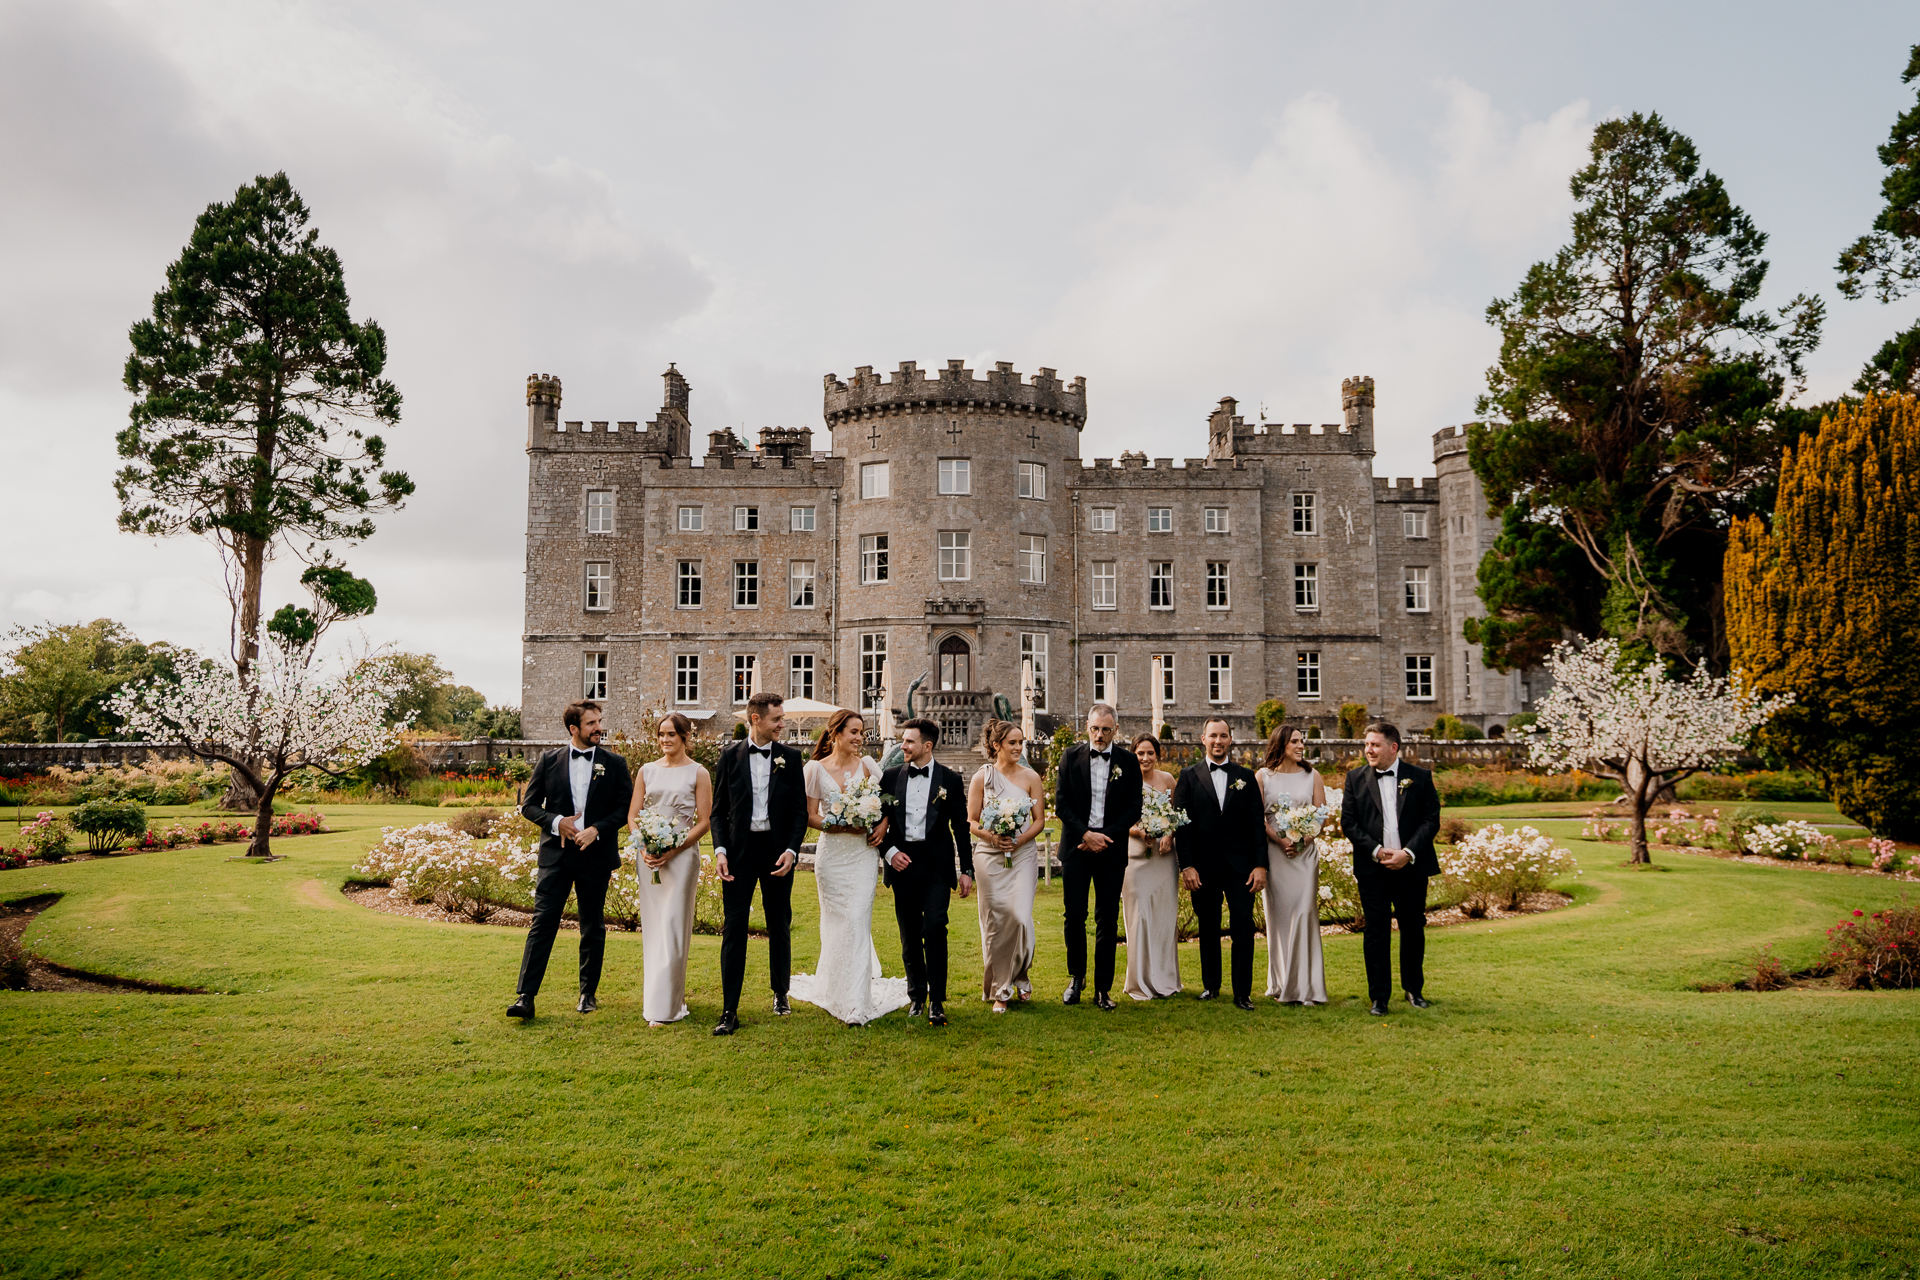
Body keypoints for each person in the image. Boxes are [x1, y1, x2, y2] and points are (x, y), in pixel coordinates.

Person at [508, 700, 633, 1019]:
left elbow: (625, 808)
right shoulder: (549, 760)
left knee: (592, 926)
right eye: (592, 723)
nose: (599, 728)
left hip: (596, 857)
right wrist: (556, 821)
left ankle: (587, 993)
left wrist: (597, 829)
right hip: (556, 858)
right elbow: (529, 805)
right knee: (542, 923)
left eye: (599, 721)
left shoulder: (615, 763)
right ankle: (525, 996)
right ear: (573, 729)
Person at [791, 708, 910, 1025]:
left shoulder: (869, 766)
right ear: (836, 734)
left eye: (862, 732)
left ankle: (857, 1003)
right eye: (854, 732)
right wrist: (837, 824)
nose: (860, 738)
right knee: (836, 923)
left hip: (861, 856)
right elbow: (810, 814)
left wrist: (883, 823)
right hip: (831, 857)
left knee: (857, 919)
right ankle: (836, 990)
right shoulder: (815, 769)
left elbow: (888, 800)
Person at [709, 691, 810, 1036]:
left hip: (777, 851)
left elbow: (799, 812)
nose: (782, 724)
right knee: (734, 928)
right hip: (739, 852)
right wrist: (720, 850)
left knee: (778, 922)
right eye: (777, 719)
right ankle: (729, 1010)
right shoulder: (729, 756)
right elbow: (717, 812)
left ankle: (780, 993)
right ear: (756, 719)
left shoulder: (791, 758)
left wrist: (792, 851)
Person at [1340, 721, 1442, 1016]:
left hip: (1411, 866)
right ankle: (1379, 997)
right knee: (1376, 931)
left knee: (1412, 927)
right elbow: (1349, 823)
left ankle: (1413, 990)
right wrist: (1375, 850)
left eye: (1374, 745)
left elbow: (1430, 820)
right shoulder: (1355, 778)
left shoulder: (1419, 777)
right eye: (1366, 745)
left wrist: (1407, 853)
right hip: (1373, 869)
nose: (1368, 750)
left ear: (1393, 747)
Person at [880, 718, 974, 1026]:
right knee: (909, 932)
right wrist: (890, 853)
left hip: (936, 865)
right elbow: (878, 823)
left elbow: (961, 827)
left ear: (927, 746)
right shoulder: (890, 778)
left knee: (935, 927)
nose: (902, 746)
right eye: (903, 740)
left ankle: (937, 1001)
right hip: (903, 862)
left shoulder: (950, 779)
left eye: (908, 742)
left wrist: (967, 869)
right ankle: (917, 996)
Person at [1053, 702, 1145, 1010]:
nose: (1100, 735)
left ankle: (1103, 989)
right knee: (1074, 916)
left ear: (1115, 730)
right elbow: (1061, 804)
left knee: (1107, 919)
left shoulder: (1128, 761)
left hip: (1111, 848)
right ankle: (1076, 979)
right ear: (1087, 728)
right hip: (1077, 848)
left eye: (1106, 730)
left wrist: (1107, 836)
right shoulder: (1070, 757)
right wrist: (1085, 834)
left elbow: (1134, 806)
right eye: (1095, 729)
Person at [1171, 716, 1267, 1010]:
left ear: (1230, 740)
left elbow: (1256, 825)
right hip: (1203, 867)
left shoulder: (1246, 776)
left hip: (1241, 867)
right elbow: (1181, 824)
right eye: (1213, 736)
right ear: (1203, 739)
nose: (1218, 741)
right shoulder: (1188, 776)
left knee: (1242, 927)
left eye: (1223, 736)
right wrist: (1186, 865)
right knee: (1208, 927)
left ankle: (1242, 992)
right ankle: (1211, 986)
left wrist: (1261, 865)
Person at [628, 712, 712, 1027]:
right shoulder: (646, 771)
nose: (665, 740)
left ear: (684, 737)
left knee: (675, 926)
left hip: (682, 857)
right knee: (654, 927)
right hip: (648, 857)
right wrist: (645, 845)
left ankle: (669, 1006)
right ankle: (659, 999)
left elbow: (704, 821)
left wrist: (673, 849)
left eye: (671, 735)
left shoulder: (698, 773)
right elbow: (634, 815)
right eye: (661, 734)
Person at [967, 718, 1047, 1013]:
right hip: (989, 856)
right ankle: (1001, 988)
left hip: (1023, 854)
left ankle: (1021, 972)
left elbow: (1039, 820)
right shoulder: (982, 778)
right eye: (1012, 742)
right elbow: (972, 822)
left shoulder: (1031, 778)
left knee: (1020, 916)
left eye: (1020, 742)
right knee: (994, 924)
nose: (1018, 747)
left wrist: (1019, 840)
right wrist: (993, 837)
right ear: (996, 745)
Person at [1256, 723, 1329, 1005]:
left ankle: (1307, 987)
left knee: (1303, 914)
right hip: (1275, 855)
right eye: (1295, 742)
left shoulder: (1313, 776)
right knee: (1280, 920)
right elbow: (1259, 817)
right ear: (1281, 744)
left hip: (1304, 856)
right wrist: (1280, 839)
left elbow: (1321, 814)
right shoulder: (1263, 776)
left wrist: (1304, 838)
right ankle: (1282, 982)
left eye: (1302, 741)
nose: (1301, 746)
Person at [1121, 733, 1182, 1001]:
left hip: (1163, 856)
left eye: (1150, 753)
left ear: (1157, 755)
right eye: (1140, 753)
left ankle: (1165, 979)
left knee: (1163, 918)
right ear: (1133, 754)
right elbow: (1117, 820)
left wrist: (1170, 834)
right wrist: (1138, 832)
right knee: (1138, 918)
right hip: (1135, 857)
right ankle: (1139, 982)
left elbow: (1178, 815)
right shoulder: (1123, 780)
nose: (1145, 758)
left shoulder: (1168, 780)